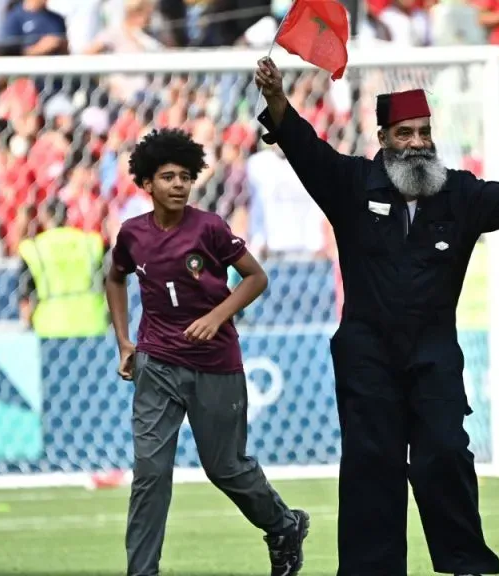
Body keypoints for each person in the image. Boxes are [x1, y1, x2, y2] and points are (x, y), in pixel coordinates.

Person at [254, 56, 499, 576]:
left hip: (433, 354)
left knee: (446, 454)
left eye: (424, 131)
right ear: (383, 138)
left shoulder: (460, 192)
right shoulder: (352, 184)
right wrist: (277, 102)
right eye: (406, 133)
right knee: (371, 466)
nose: (419, 141)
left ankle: (468, 564)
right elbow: (307, 152)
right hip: (366, 355)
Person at [105, 128, 309, 576]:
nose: (178, 184)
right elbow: (114, 278)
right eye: (167, 177)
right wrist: (124, 340)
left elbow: (256, 277)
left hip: (215, 365)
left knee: (225, 468)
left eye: (184, 176)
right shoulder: (132, 234)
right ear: (146, 184)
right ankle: (143, 572)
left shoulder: (211, 228)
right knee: (149, 473)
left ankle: (283, 525)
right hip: (155, 363)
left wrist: (218, 316)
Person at [18, 197, 108, 338]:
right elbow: (109, 286)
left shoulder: (34, 248)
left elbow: (25, 296)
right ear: (68, 217)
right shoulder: (91, 243)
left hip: (50, 325)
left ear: (44, 217)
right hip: (91, 322)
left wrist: (27, 323)